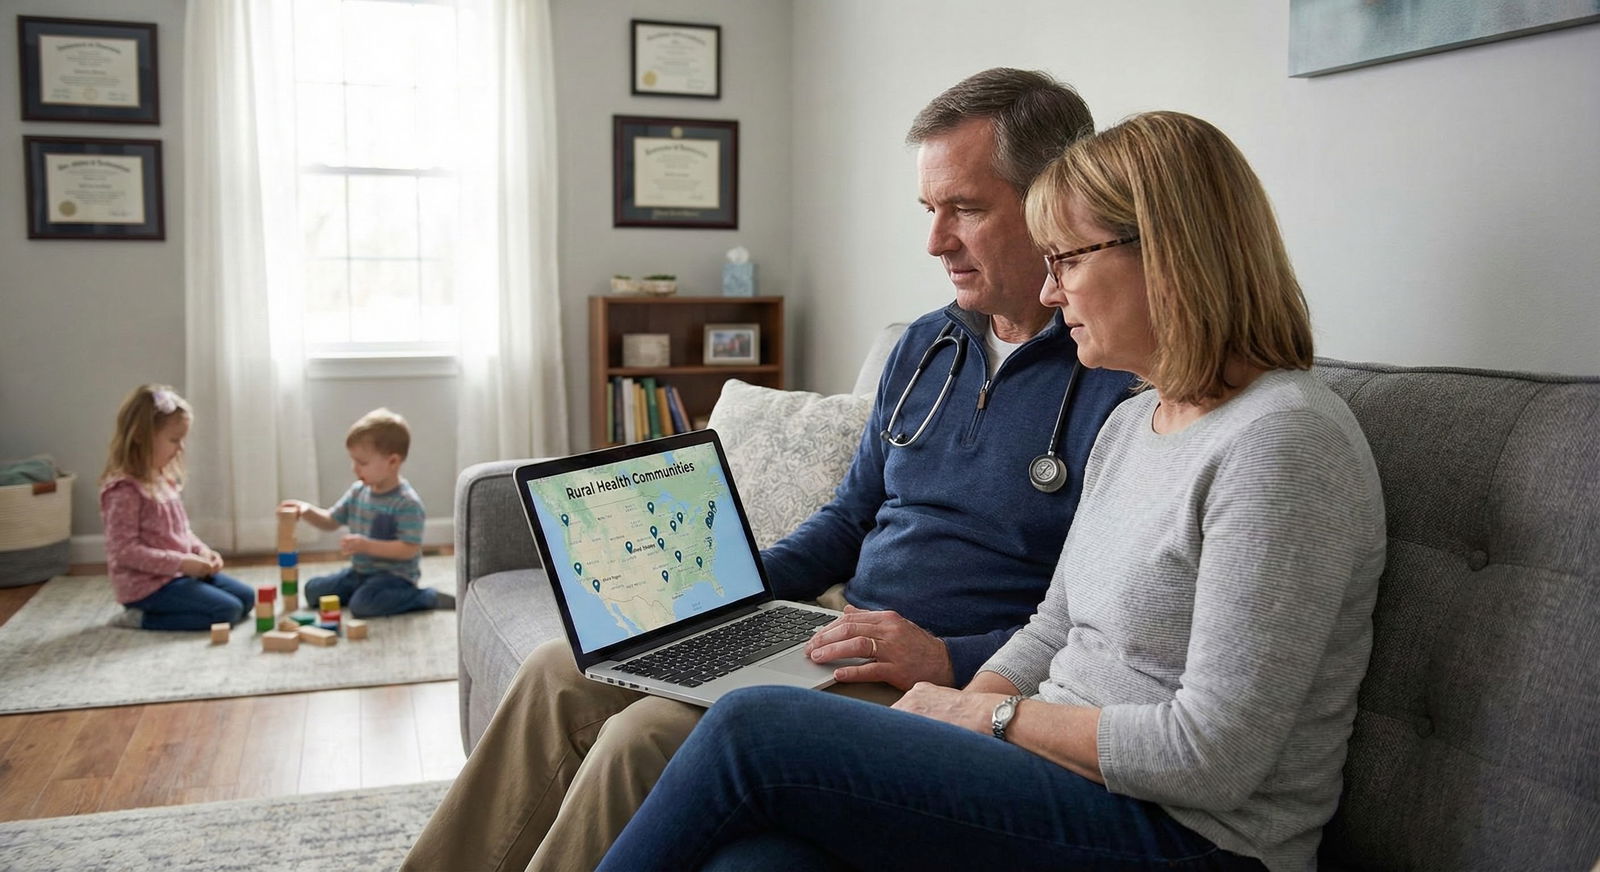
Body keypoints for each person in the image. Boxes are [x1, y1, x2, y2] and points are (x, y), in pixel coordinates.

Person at [598, 111, 1388, 872]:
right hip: (1055, 780)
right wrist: (947, 731)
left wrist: (988, 716)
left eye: (1068, 260)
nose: (1051, 294)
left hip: (1190, 837)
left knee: (753, 730)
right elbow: (1052, 628)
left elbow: (1211, 759)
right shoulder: (1138, 418)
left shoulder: (1283, 442)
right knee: (757, 860)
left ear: (1170, 256)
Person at [403, 68, 1137, 872]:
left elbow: (1092, 630)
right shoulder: (925, 344)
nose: (935, 241)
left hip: (938, 677)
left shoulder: (1122, 378)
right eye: (930, 211)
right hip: (833, 633)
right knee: (557, 668)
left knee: (643, 733)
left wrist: (947, 658)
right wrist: (722, 595)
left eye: (965, 208)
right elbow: (850, 519)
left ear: (1051, 201)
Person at [100, 384, 254, 631]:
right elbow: (125, 551)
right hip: (148, 586)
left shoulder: (164, 479)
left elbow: (182, 532)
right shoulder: (124, 491)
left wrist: (202, 552)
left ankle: (186, 592)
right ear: (140, 435)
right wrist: (182, 563)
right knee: (227, 610)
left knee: (247, 598)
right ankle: (140, 618)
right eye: (174, 440)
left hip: (178, 575)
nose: (180, 448)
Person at [278, 408, 454, 617]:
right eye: (353, 461)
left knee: (362, 606)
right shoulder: (358, 492)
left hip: (393, 577)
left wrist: (366, 545)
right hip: (360, 573)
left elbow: (408, 549)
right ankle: (358, 592)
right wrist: (305, 510)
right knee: (313, 591)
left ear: (392, 462)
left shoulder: (407, 503)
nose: (354, 468)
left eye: (362, 463)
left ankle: (425, 597)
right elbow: (330, 521)